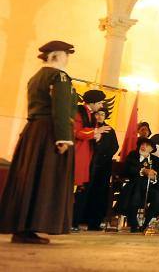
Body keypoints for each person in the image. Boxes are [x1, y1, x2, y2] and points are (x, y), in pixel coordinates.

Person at [0, 41, 76, 244]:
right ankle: (33, 224)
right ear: (58, 56)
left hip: (33, 131)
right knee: (46, 179)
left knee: (30, 178)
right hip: (49, 131)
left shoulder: (35, 78)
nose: (67, 59)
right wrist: (63, 137)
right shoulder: (59, 76)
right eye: (66, 55)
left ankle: (23, 227)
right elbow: (61, 108)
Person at [115, 138, 159, 232]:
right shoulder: (133, 155)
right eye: (142, 144)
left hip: (150, 188)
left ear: (151, 149)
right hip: (134, 187)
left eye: (147, 145)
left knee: (158, 196)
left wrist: (154, 177)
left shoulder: (155, 160)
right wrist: (143, 170)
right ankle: (133, 224)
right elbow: (127, 169)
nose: (143, 146)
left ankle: (146, 224)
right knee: (135, 194)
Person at [72, 89, 109, 230]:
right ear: (92, 102)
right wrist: (96, 132)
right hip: (78, 153)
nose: (101, 106)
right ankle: (70, 221)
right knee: (75, 190)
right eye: (99, 102)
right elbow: (76, 131)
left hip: (87, 155)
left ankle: (74, 222)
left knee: (80, 191)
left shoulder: (91, 114)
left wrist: (96, 135)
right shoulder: (78, 111)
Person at [83, 107, 118, 230]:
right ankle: (80, 220)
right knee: (86, 191)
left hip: (103, 165)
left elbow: (115, 147)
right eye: (97, 114)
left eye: (102, 114)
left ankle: (95, 222)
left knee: (100, 193)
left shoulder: (110, 130)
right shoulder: (89, 128)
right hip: (89, 164)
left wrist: (103, 155)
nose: (99, 116)